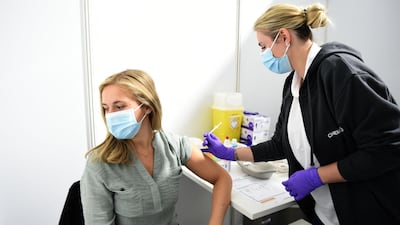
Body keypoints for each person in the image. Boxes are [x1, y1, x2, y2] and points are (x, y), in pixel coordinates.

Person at [202, 3, 400, 225]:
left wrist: (317, 176)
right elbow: (280, 144)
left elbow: (388, 146)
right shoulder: (293, 84)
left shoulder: (339, 72)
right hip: (325, 214)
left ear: (284, 37)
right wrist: (232, 153)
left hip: (368, 211)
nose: (263, 55)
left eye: (263, 46)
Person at [80, 69, 232, 225]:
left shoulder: (173, 145)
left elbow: (222, 178)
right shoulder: (99, 164)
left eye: (119, 107)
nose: (110, 115)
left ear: (147, 106)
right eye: (106, 108)